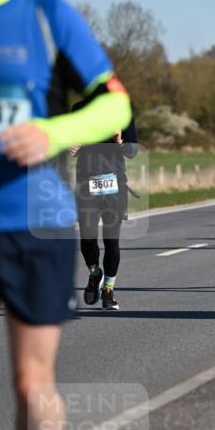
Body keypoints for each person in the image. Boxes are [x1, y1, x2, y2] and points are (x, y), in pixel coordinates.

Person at [0, 0, 131, 430]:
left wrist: (51, 130)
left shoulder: (48, 18)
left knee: (29, 382)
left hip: (32, 222)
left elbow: (115, 104)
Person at [70, 110, 138, 310]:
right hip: (86, 182)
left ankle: (108, 290)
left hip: (114, 183)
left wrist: (119, 141)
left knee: (111, 241)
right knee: (87, 239)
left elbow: (133, 151)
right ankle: (94, 272)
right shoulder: (79, 109)